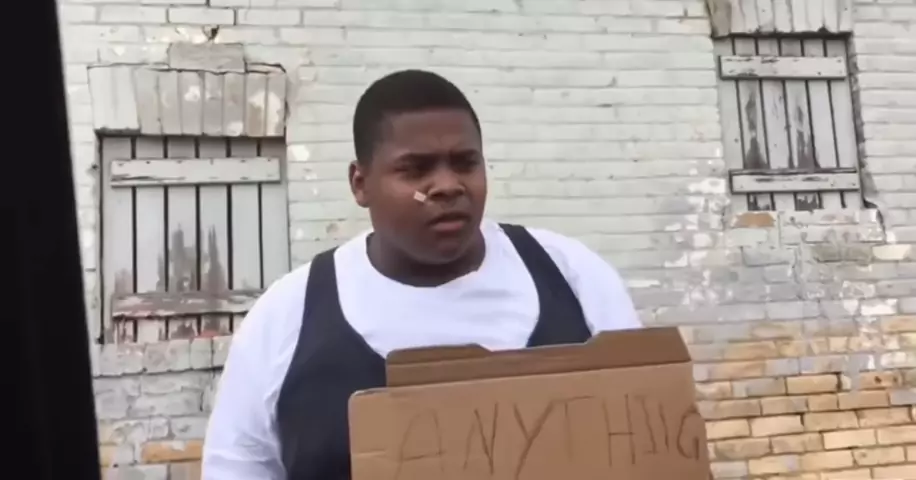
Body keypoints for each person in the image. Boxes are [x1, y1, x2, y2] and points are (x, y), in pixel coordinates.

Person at [201, 69, 642, 480]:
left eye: (465, 162)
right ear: (360, 184)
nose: (448, 185)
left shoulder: (571, 276)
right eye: (415, 169)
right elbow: (238, 467)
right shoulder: (289, 316)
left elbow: (645, 432)